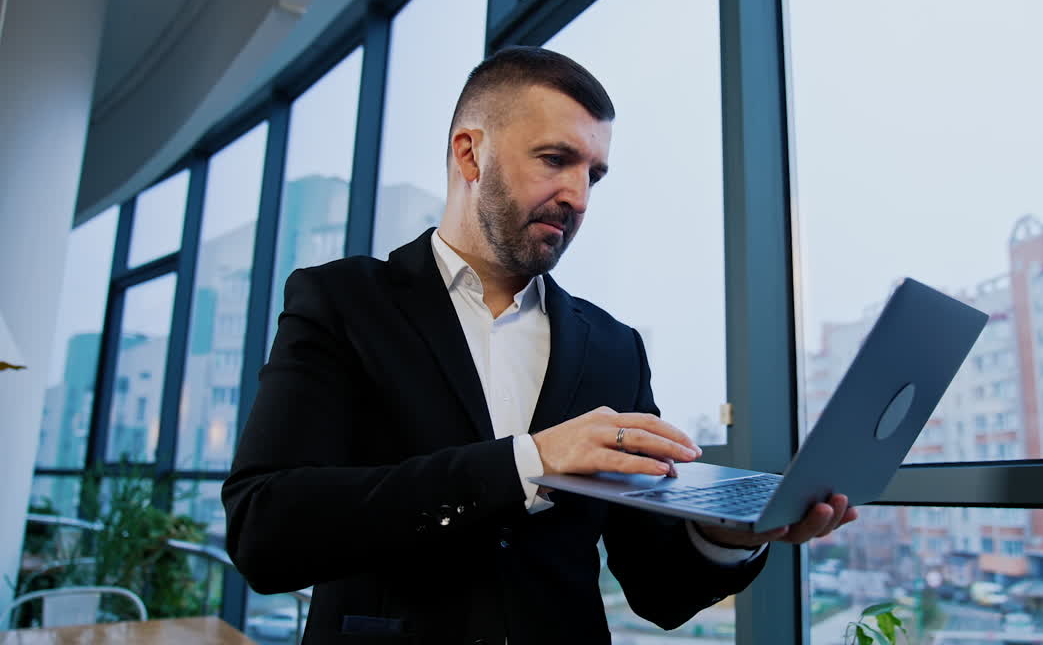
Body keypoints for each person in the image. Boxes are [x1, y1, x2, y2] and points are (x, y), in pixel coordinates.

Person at [222, 46, 859, 644]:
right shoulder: (342, 302)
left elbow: (658, 592)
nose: (578, 197)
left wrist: (726, 537)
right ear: (470, 154)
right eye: (555, 160)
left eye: (594, 175)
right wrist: (528, 462)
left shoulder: (614, 349)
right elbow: (264, 531)